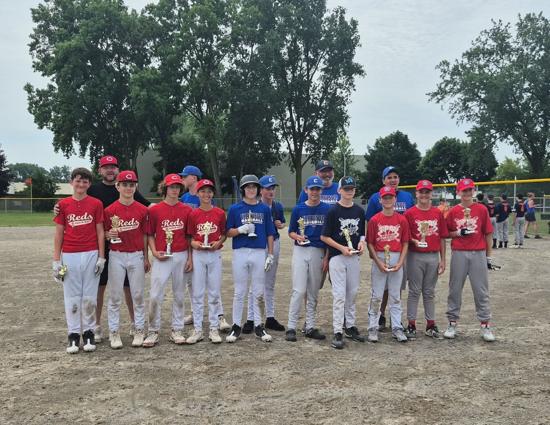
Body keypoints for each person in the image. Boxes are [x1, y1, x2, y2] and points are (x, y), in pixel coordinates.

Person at [54, 155, 151, 343]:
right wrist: (58, 207)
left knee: (129, 287)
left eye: (113, 167)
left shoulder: (128, 187)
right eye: (106, 167)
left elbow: (148, 207)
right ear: (100, 170)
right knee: (99, 287)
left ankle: (135, 324)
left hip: (124, 245)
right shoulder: (93, 189)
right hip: (98, 247)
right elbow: (75, 198)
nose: (110, 170)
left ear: (117, 170)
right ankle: (95, 326)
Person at [53, 167, 105, 353]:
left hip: (91, 252)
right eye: (78, 180)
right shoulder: (63, 204)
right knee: (71, 295)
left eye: (85, 181)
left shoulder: (96, 203)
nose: (81, 184)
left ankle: (89, 332)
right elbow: (59, 233)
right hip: (70, 254)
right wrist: (56, 260)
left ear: (89, 184)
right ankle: (73, 334)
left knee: (89, 295)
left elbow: (100, 231)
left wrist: (101, 256)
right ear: (71, 182)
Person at [177, 165, 231, 332]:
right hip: (193, 246)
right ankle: (195, 314)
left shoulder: (211, 204)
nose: (182, 179)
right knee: (193, 285)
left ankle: (219, 316)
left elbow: (219, 228)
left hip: (209, 248)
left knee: (213, 285)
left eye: (185, 176)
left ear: (194, 177)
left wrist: (217, 241)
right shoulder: (184, 197)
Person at [143, 174, 193, 347]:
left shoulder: (187, 210)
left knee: (179, 294)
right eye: (171, 187)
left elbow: (189, 236)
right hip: (162, 255)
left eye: (177, 187)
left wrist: (190, 258)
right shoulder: (154, 210)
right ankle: (153, 330)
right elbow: (149, 234)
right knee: (155, 295)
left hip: (181, 254)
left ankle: (177, 329)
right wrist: (154, 252)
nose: (175, 190)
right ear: (165, 188)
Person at [225, 175, 276, 343]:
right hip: (240, 251)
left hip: (259, 251)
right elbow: (228, 232)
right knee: (240, 291)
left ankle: (259, 326)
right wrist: (240, 230)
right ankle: (236, 326)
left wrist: (270, 254)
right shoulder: (235, 208)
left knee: (258, 291)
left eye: (254, 187)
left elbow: (270, 233)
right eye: (248, 187)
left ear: (258, 189)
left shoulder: (264, 209)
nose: (251, 190)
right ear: (243, 190)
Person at [444, 178, 495, 342]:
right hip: (459, 252)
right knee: (454, 289)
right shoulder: (453, 211)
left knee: (481, 290)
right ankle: (452, 323)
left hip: (478, 252)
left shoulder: (481, 209)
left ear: (473, 191)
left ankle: (485, 324)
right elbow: (447, 233)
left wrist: (488, 256)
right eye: (464, 190)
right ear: (458, 192)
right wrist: (459, 233)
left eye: (469, 190)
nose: (467, 193)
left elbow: (488, 233)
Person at [103, 171, 150, 349]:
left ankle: (139, 329)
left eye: (131, 185)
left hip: (136, 254)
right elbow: (104, 233)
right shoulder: (109, 210)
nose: (128, 188)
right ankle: (114, 332)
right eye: (124, 184)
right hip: (116, 254)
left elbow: (145, 235)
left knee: (137, 295)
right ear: (117, 186)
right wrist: (108, 234)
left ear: (135, 187)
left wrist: (146, 257)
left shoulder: (143, 209)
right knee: (115, 296)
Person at [365, 166, 414, 330]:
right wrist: (373, 254)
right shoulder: (375, 198)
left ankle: (396, 321)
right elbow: (370, 225)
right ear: (383, 180)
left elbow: (411, 220)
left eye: (395, 176)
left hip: (399, 249)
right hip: (381, 249)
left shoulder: (407, 197)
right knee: (380, 290)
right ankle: (379, 317)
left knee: (396, 288)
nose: (393, 180)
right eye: (389, 177)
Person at [321, 176, 366, 350]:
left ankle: (350, 326)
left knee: (352, 293)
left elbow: (361, 234)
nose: (349, 191)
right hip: (337, 257)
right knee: (339, 295)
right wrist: (341, 248)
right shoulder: (333, 211)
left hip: (353, 256)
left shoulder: (359, 211)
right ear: (339, 190)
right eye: (346, 189)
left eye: (352, 188)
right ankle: (338, 330)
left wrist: (361, 243)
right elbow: (324, 237)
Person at [285, 176, 331, 342]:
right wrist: (297, 236)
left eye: (317, 189)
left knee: (313, 291)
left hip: (318, 251)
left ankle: (310, 326)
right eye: (312, 189)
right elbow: (291, 231)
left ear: (321, 191)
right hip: (301, 250)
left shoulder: (327, 209)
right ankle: (291, 327)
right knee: (298, 290)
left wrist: (326, 258)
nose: (314, 192)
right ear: (306, 190)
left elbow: (329, 235)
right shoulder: (298, 209)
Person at [403, 180, 448, 340]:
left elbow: (442, 237)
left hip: (433, 255)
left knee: (429, 292)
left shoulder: (437, 213)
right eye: (421, 192)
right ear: (416, 193)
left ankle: (430, 324)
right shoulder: (409, 213)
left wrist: (443, 259)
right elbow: (405, 236)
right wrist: (414, 241)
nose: (424, 195)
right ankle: (411, 324)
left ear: (431, 194)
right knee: (414, 291)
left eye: (427, 192)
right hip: (415, 255)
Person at [243, 175, 286, 333]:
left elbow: (282, 223)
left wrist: (280, 225)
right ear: (260, 190)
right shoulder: (255, 206)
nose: (271, 191)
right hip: (259, 245)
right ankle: (251, 319)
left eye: (272, 188)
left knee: (270, 282)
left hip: (274, 243)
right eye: (267, 188)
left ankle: (270, 317)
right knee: (255, 282)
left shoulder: (277, 206)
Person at [187, 179, 227, 344]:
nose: (206, 194)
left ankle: (213, 328)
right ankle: (197, 329)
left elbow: (224, 233)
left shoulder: (219, 213)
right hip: (198, 254)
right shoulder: (193, 214)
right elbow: (189, 236)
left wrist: (219, 242)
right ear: (197, 193)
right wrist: (194, 244)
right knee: (197, 292)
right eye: (203, 191)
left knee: (214, 292)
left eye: (209, 191)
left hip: (214, 253)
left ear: (213, 194)